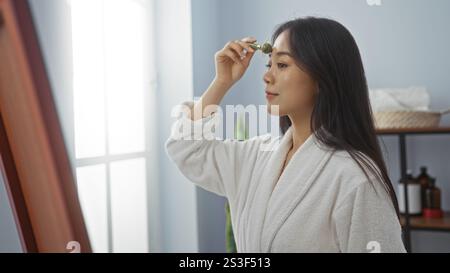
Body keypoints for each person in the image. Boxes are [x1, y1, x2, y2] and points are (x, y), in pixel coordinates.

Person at [165, 16, 406, 253]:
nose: (266, 76)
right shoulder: (256, 157)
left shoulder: (357, 179)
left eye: (282, 65)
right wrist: (222, 81)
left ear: (322, 78)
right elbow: (187, 148)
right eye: (269, 64)